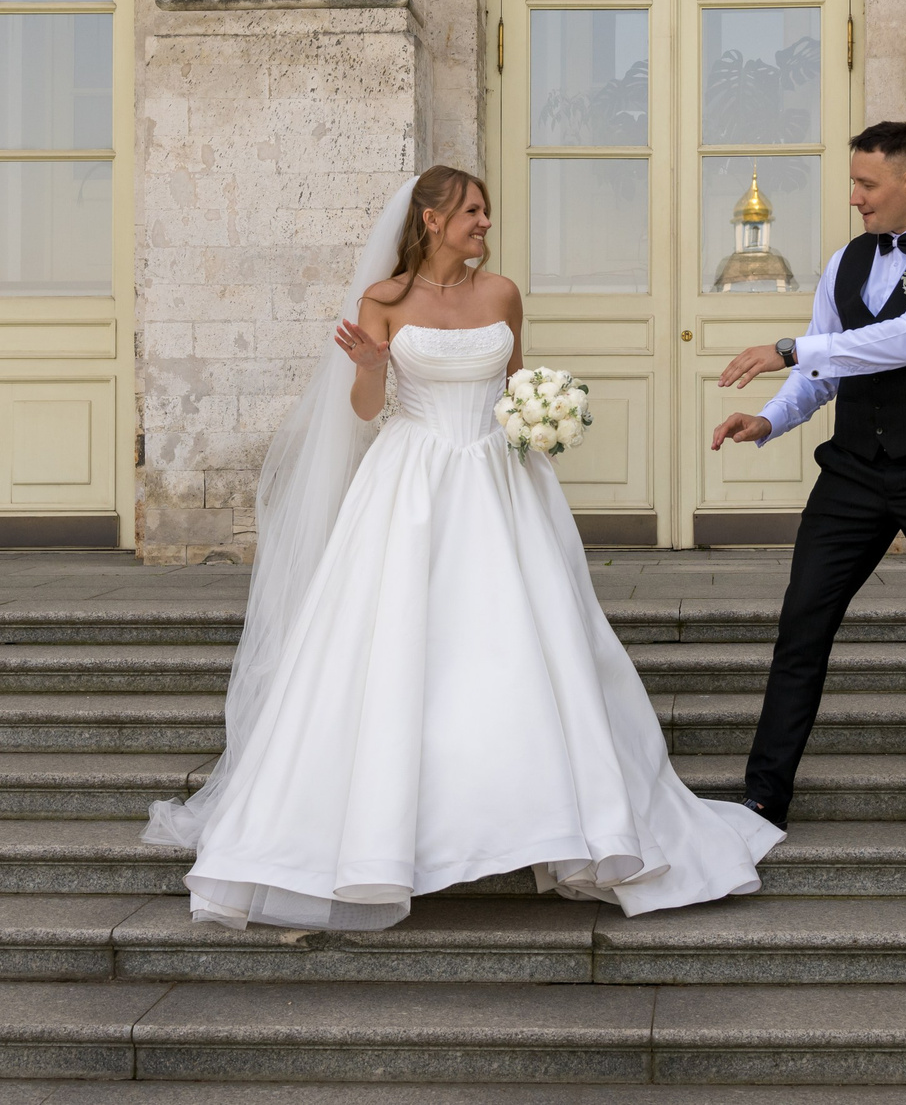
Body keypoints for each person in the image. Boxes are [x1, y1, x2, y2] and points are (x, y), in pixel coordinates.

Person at [146, 165, 781, 929]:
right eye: (472, 211)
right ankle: (385, 837)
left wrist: (545, 418)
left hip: (500, 482)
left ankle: (544, 821)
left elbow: (515, 384)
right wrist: (371, 368)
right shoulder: (382, 302)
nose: (484, 222)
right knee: (402, 651)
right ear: (432, 219)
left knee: (513, 648)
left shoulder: (502, 294)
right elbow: (366, 410)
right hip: (410, 485)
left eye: (484, 210)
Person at [710, 121, 906, 850]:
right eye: (852, 183)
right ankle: (765, 795)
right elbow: (828, 373)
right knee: (801, 622)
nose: (854, 198)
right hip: (855, 469)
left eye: (865, 184)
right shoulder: (847, 261)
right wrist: (773, 418)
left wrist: (787, 345)